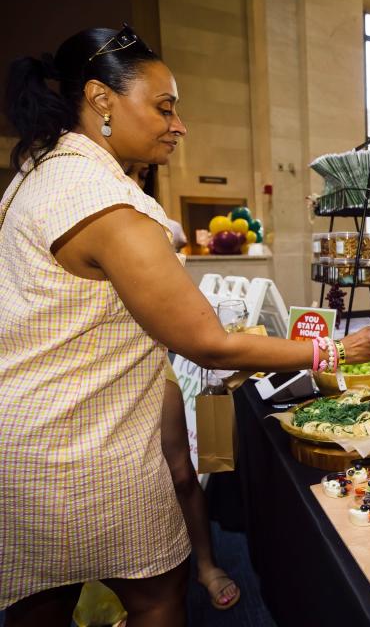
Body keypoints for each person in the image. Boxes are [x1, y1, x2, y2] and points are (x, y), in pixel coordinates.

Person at [0, 26, 370, 626]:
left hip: (23, 439)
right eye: (164, 107)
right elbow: (209, 345)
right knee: (159, 596)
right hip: (87, 447)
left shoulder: (38, 175)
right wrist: (335, 351)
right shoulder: (102, 201)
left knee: (40, 604)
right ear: (101, 99)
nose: (179, 124)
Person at [126, 162, 240, 610]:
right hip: (84, 379)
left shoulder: (145, 214)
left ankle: (205, 562)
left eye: (139, 174)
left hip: (150, 361)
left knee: (180, 471)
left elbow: (172, 237)